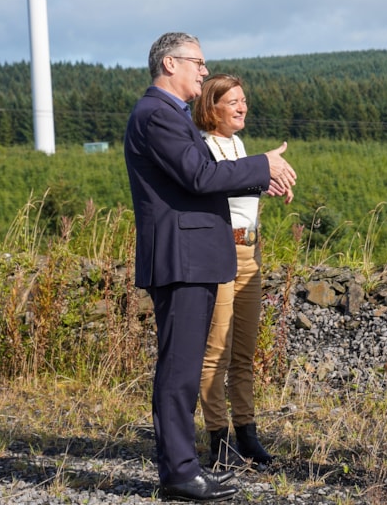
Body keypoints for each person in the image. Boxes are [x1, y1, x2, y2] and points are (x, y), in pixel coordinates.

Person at [124, 32, 296, 502]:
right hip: (181, 258)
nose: (203, 70)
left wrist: (261, 178)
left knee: (181, 365)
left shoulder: (169, 116)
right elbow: (200, 177)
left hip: (192, 256)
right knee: (181, 367)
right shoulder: (157, 115)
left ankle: (183, 465)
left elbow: (205, 180)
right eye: (198, 63)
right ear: (169, 64)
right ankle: (179, 471)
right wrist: (263, 165)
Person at [193, 74, 284, 470]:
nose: (242, 107)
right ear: (211, 107)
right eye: (233, 102)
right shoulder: (202, 146)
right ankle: (218, 439)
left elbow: (241, 186)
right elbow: (215, 186)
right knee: (217, 351)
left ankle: (247, 432)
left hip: (250, 250)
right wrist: (261, 170)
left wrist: (269, 182)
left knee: (244, 352)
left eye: (244, 100)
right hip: (220, 250)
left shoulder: (237, 144)